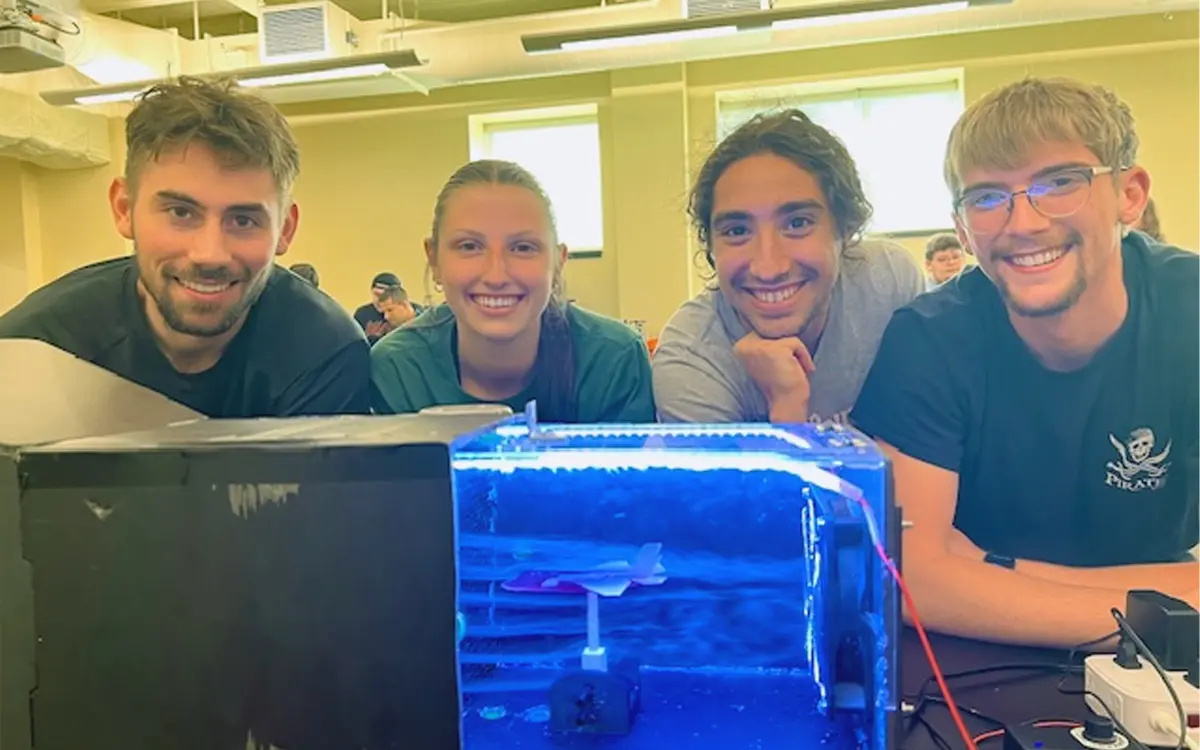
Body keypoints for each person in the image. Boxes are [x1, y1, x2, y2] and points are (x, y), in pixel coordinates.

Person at [850, 77, 1198, 649]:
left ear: (1130, 195)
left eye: (1060, 183)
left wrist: (998, 567)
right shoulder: (929, 339)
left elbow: (943, 574)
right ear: (963, 229)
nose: (1024, 222)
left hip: (1002, 605)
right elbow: (911, 580)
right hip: (976, 648)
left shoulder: (1190, 311)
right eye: (987, 197)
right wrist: (1168, 614)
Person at [0, 77, 370, 418]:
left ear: (285, 229)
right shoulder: (32, 351)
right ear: (124, 210)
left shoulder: (324, 352)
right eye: (181, 212)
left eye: (243, 220)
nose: (209, 254)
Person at [652, 110, 923, 424]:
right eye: (737, 231)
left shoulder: (887, 282)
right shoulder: (693, 358)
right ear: (711, 245)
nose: (769, 268)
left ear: (845, 229)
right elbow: (744, 478)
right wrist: (786, 404)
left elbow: (921, 444)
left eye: (797, 223)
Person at [371, 159, 654, 423]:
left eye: (523, 248)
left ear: (558, 263)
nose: (496, 276)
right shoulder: (399, 369)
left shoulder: (613, 361)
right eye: (469, 246)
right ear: (434, 260)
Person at [354, 272, 405, 344]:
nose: (379, 300)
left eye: (385, 296)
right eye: (376, 294)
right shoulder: (362, 314)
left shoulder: (409, 313)